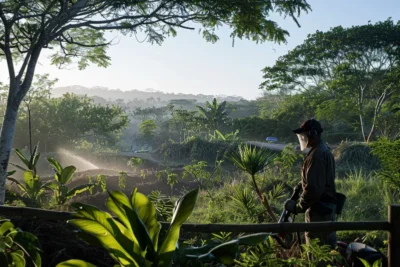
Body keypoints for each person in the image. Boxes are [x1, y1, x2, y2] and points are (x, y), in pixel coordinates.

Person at [284, 118, 337, 250]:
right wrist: (301, 184)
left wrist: (298, 207)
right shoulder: (322, 151)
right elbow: (317, 179)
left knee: (317, 254)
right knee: (327, 252)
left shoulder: (317, 155)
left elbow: (313, 188)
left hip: (318, 213)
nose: (302, 138)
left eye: (304, 134)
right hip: (325, 211)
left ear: (313, 134)